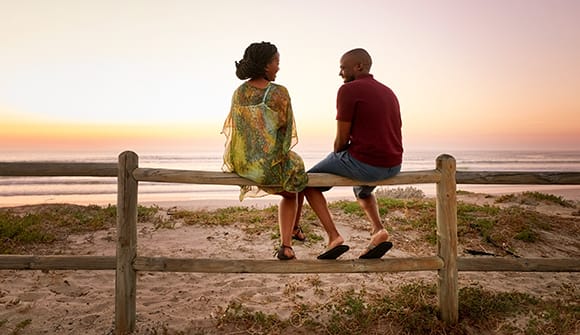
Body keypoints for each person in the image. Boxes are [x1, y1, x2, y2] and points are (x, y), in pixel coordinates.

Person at [303, 48, 403, 259]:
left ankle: (334, 237)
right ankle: (378, 230)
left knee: (308, 183)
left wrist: (337, 156)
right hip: (393, 163)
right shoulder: (388, 91)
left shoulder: (348, 90)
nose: (340, 73)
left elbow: (341, 139)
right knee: (363, 189)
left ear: (359, 66)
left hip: (367, 164)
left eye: (343, 68)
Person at [222, 41, 308, 260]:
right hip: (265, 165)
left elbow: (238, 132)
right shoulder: (279, 93)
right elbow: (285, 134)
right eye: (277, 62)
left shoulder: (239, 93)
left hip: (242, 162)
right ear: (266, 65)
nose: (279, 67)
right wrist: (274, 156)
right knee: (296, 181)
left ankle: (296, 229)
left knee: (295, 180)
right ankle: (287, 243)